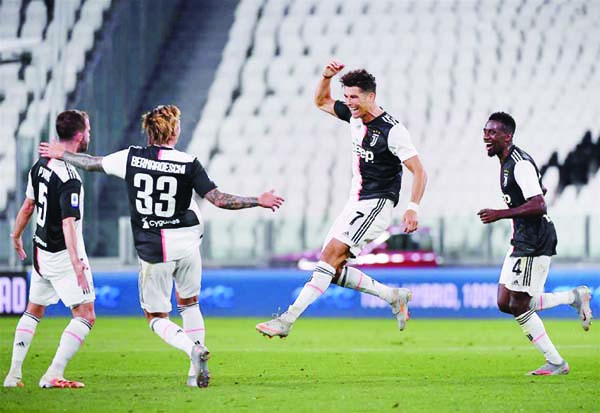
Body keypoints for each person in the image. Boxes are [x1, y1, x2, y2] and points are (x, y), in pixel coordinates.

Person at [40, 104, 284, 388]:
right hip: (188, 244)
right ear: (175, 130)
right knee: (190, 304)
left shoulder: (130, 158)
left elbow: (92, 163)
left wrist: (64, 154)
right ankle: (194, 372)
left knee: (156, 316)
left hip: (154, 250)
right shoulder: (188, 162)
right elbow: (218, 199)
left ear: (149, 131)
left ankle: (191, 348)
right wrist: (258, 199)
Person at [256, 60, 427, 338]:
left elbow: (419, 171)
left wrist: (412, 208)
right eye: (346, 96)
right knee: (332, 269)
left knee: (329, 257)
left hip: (377, 204)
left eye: (354, 97)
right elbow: (321, 100)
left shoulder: (392, 131)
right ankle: (393, 296)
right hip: (355, 202)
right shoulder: (353, 116)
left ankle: (286, 320)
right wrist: (326, 76)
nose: (349, 102)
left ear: (371, 96)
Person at [477, 112, 592, 376]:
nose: (486, 137)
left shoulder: (519, 164)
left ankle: (556, 362)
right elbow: (535, 193)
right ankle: (574, 297)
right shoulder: (508, 161)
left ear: (508, 137)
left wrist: (500, 213)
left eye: (492, 132)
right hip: (521, 238)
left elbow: (540, 204)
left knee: (519, 305)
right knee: (505, 302)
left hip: (534, 241)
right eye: (485, 131)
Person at [4, 110, 96, 389]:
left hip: (40, 251)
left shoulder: (40, 163)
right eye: (88, 131)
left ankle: (13, 375)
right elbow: (69, 223)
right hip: (61, 255)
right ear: (79, 136)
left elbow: (29, 205)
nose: (89, 135)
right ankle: (52, 374)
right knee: (86, 314)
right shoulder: (70, 178)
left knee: (33, 310)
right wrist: (76, 263)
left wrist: (16, 234)